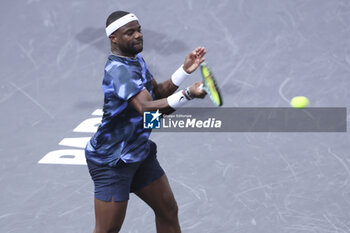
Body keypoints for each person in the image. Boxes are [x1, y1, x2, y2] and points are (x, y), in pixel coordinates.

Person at [85, 10, 207, 233]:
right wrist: (188, 94)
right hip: (112, 161)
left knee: (168, 210)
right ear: (114, 38)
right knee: (108, 229)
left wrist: (184, 72)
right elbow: (145, 109)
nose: (139, 35)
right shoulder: (118, 70)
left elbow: (156, 95)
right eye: (130, 32)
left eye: (139, 30)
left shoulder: (135, 60)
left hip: (139, 153)